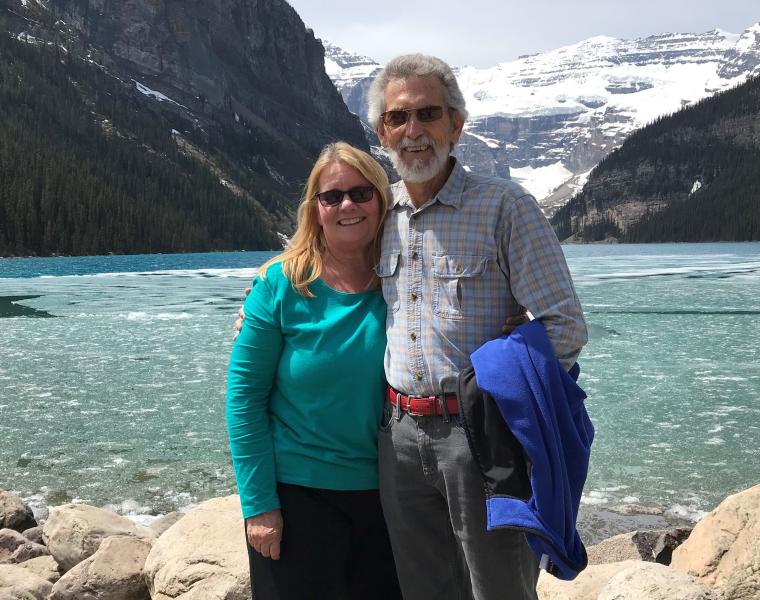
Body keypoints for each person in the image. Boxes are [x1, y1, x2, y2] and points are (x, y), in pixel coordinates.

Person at [367, 54, 588, 600]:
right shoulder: (377, 214)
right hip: (396, 436)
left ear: (456, 124)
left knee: (500, 589)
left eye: (428, 113)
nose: (413, 131)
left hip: (481, 436)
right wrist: (259, 295)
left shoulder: (505, 207)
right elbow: (323, 273)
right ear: (381, 131)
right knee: (424, 589)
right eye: (399, 118)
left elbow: (565, 326)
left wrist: (498, 387)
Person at [226, 142, 401, 600]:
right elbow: (244, 400)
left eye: (362, 193)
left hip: (393, 494)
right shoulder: (280, 284)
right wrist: (259, 505)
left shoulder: (408, 278)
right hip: (299, 494)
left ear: (382, 200)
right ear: (315, 208)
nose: (348, 205)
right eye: (332, 196)